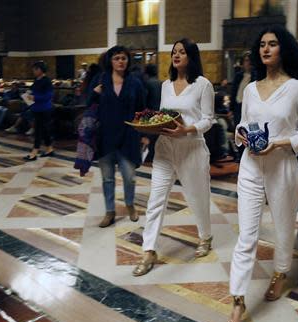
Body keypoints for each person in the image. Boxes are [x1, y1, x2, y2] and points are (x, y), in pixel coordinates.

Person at [222, 25, 298, 322]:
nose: (266, 49)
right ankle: (237, 302)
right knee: (246, 236)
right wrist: (240, 132)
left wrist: (279, 143)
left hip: (283, 168)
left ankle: (280, 272)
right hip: (251, 166)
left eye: (273, 44)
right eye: (262, 44)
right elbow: (244, 123)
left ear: (284, 49)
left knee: (282, 226)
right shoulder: (250, 88)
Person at [132, 38, 215, 277]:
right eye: (174, 52)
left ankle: (205, 236)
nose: (176, 55)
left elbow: (208, 120)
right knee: (156, 199)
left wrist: (186, 129)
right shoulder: (166, 85)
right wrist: (151, 130)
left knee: (198, 197)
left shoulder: (202, 84)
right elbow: (163, 115)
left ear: (191, 56)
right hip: (166, 148)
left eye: (182, 52)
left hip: (192, 148)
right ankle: (148, 250)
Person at [88, 46, 145, 228]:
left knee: (130, 177)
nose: (121, 61)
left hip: (129, 137)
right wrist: (94, 94)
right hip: (105, 138)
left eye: (124, 58)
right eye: (117, 58)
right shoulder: (100, 80)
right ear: (110, 61)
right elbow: (88, 104)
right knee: (107, 178)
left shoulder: (135, 82)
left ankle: (129, 204)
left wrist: (144, 135)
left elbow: (142, 110)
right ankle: (110, 211)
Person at [23, 61, 54, 161]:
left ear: (40, 70)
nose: (33, 71)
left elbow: (48, 96)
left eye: (35, 69)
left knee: (38, 130)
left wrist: (34, 97)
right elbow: (31, 90)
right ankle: (49, 149)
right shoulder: (36, 80)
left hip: (44, 108)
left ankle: (34, 152)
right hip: (36, 108)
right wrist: (26, 95)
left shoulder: (47, 81)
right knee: (44, 130)